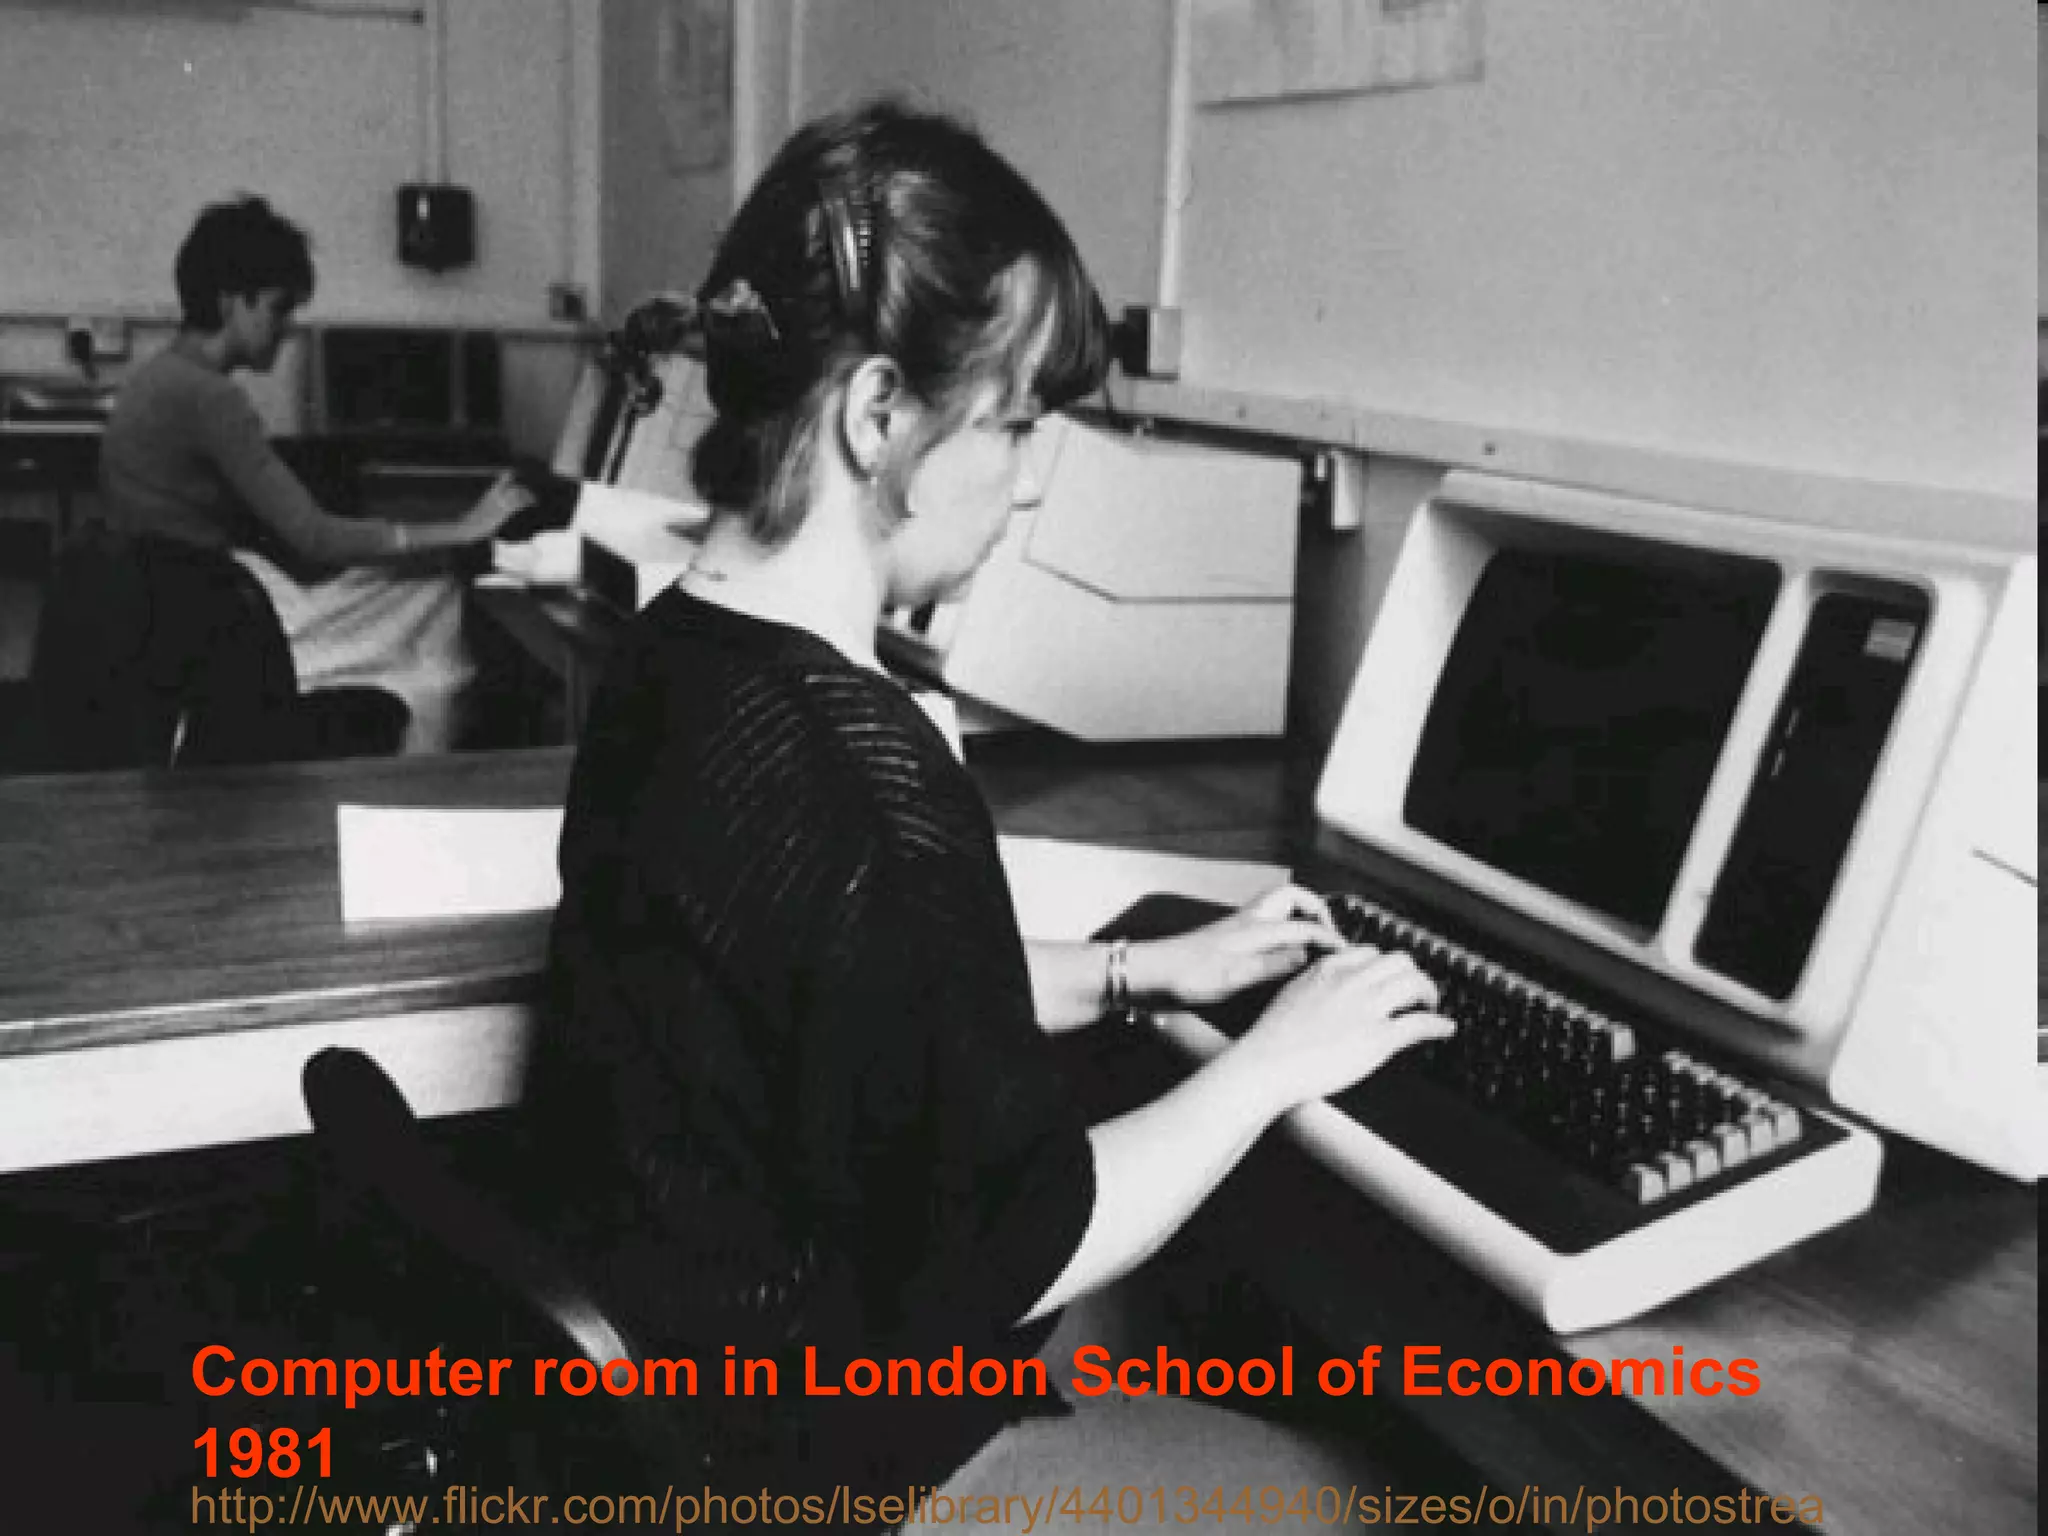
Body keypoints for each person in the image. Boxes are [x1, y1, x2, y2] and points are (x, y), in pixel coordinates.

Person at [534, 101, 1452, 1499]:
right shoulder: (871, 769)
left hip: (720, 1439)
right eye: (1017, 426)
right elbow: (1030, 1242)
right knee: (1387, 1493)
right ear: (880, 414)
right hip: (863, 1482)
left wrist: (1145, 971)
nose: (1026, 486)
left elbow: (861, 994)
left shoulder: (675, 660)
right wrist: (1276, 1066)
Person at [96, 195, 531, 752]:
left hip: (175, 612)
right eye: (278, 309)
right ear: (232, 302)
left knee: (406, 587)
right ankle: (425, 771)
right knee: (439, 593)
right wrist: (465, 528)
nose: (287, 328)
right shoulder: (210, 397)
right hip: (216, 619)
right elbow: (317, 538)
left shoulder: (157, 377)